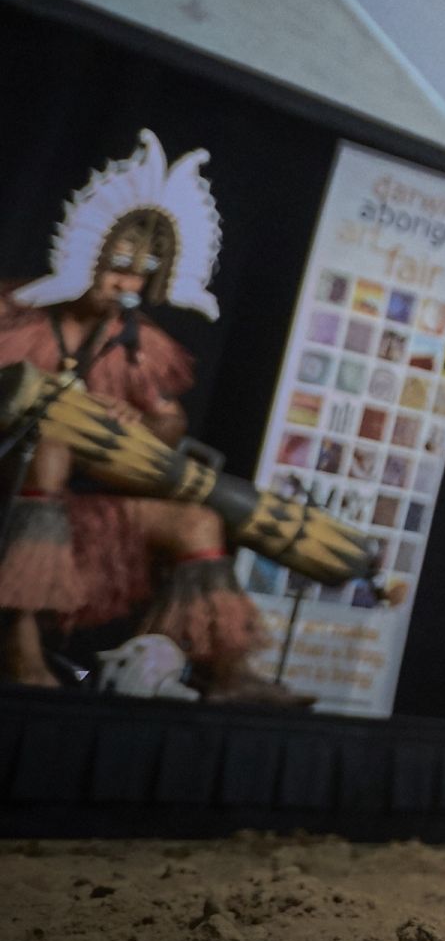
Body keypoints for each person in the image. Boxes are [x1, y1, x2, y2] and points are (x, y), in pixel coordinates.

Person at [0, 134, 302, 706]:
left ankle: (220, 671)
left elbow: (167, 427)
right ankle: (18, 648)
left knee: (197, 525)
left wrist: (136, 423)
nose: (127, 285)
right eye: (117, 267)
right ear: (86, 253)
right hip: (13, 496)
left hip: (74, 509)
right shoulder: (14, 316)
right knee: (48, 451)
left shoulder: (136, 344)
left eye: (142, 273)